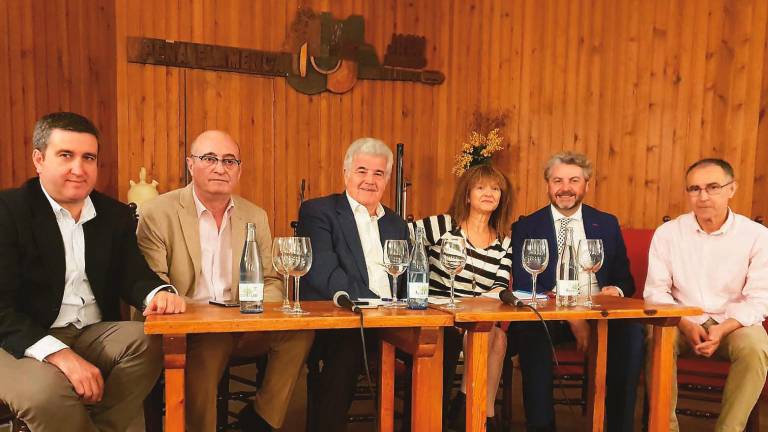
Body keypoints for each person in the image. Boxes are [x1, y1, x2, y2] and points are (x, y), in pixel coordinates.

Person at [0, 112, 186, 432]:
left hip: (91, 333)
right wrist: (60, 355)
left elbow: (133, 274)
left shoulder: (113, 215)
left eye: (88, 157)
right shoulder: (8, 211)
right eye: (66, 155)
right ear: (39, 160)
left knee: (152, 340)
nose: (79, 168)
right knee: (46, 395)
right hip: (16, 338)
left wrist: (159, 293)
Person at [136, 130, 313, 432]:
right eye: (210, 159)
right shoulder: (158, 213)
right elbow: (156, 284)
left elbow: (271, 279)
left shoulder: (254, 215)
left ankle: (260, 421)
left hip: (244, 321)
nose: (221, 168)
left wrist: (257, 310)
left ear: (239, 169)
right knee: (213, 342)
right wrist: (209, 316)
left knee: (298, 333)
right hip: (192, 326)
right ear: (190, 164)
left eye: (229, 161)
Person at [508, 151, 643, 432]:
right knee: (531, 333)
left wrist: (614, 291)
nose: (565, 188)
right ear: (547, 185)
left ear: (586, 185)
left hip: (599, 311)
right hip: (548, 314)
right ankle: (542, 426)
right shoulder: (526, 226)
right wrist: (572, 316)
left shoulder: (605, 223)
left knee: (631, 333)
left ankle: (620, 426)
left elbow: (624, 279)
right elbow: (524, 283)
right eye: (557, 180)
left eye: (573, 180)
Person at [644, 158, 768, 432]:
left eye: (713, 187)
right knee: (657, 337)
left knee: (755, 347)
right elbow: (655, 291)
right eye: (695, 189)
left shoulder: (757, 236)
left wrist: (723, 329)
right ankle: (665, 428)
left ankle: (729, 430)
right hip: (680, 320)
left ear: (731, 189)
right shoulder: (668, 233)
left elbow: (760, 298)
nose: (703, 197)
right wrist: (685, 323)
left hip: (733, 323)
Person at [298, 137, 409, 431]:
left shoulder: (396, 224)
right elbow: (325, 273)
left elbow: (407, 279)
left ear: (387, 179)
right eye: (362, 171)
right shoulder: (319, 212)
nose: (370, 181)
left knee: (441, 341)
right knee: (346, 347)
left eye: (378, 174)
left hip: (395, 321)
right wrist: (377, 305)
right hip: (345, 319)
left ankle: (424, 422)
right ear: (346, 173)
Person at [409, 164, 513, 430]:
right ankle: (474, 414)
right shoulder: (443, 225)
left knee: (497, 337)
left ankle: (478, 411)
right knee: (491, 336)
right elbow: (398, 240)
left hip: (475, 319)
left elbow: (498, 290)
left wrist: (465, 313)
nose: (489, 193)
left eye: (495, 188)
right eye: (480, 187)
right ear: (467, 195)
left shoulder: (504, 242)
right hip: (435, 315)